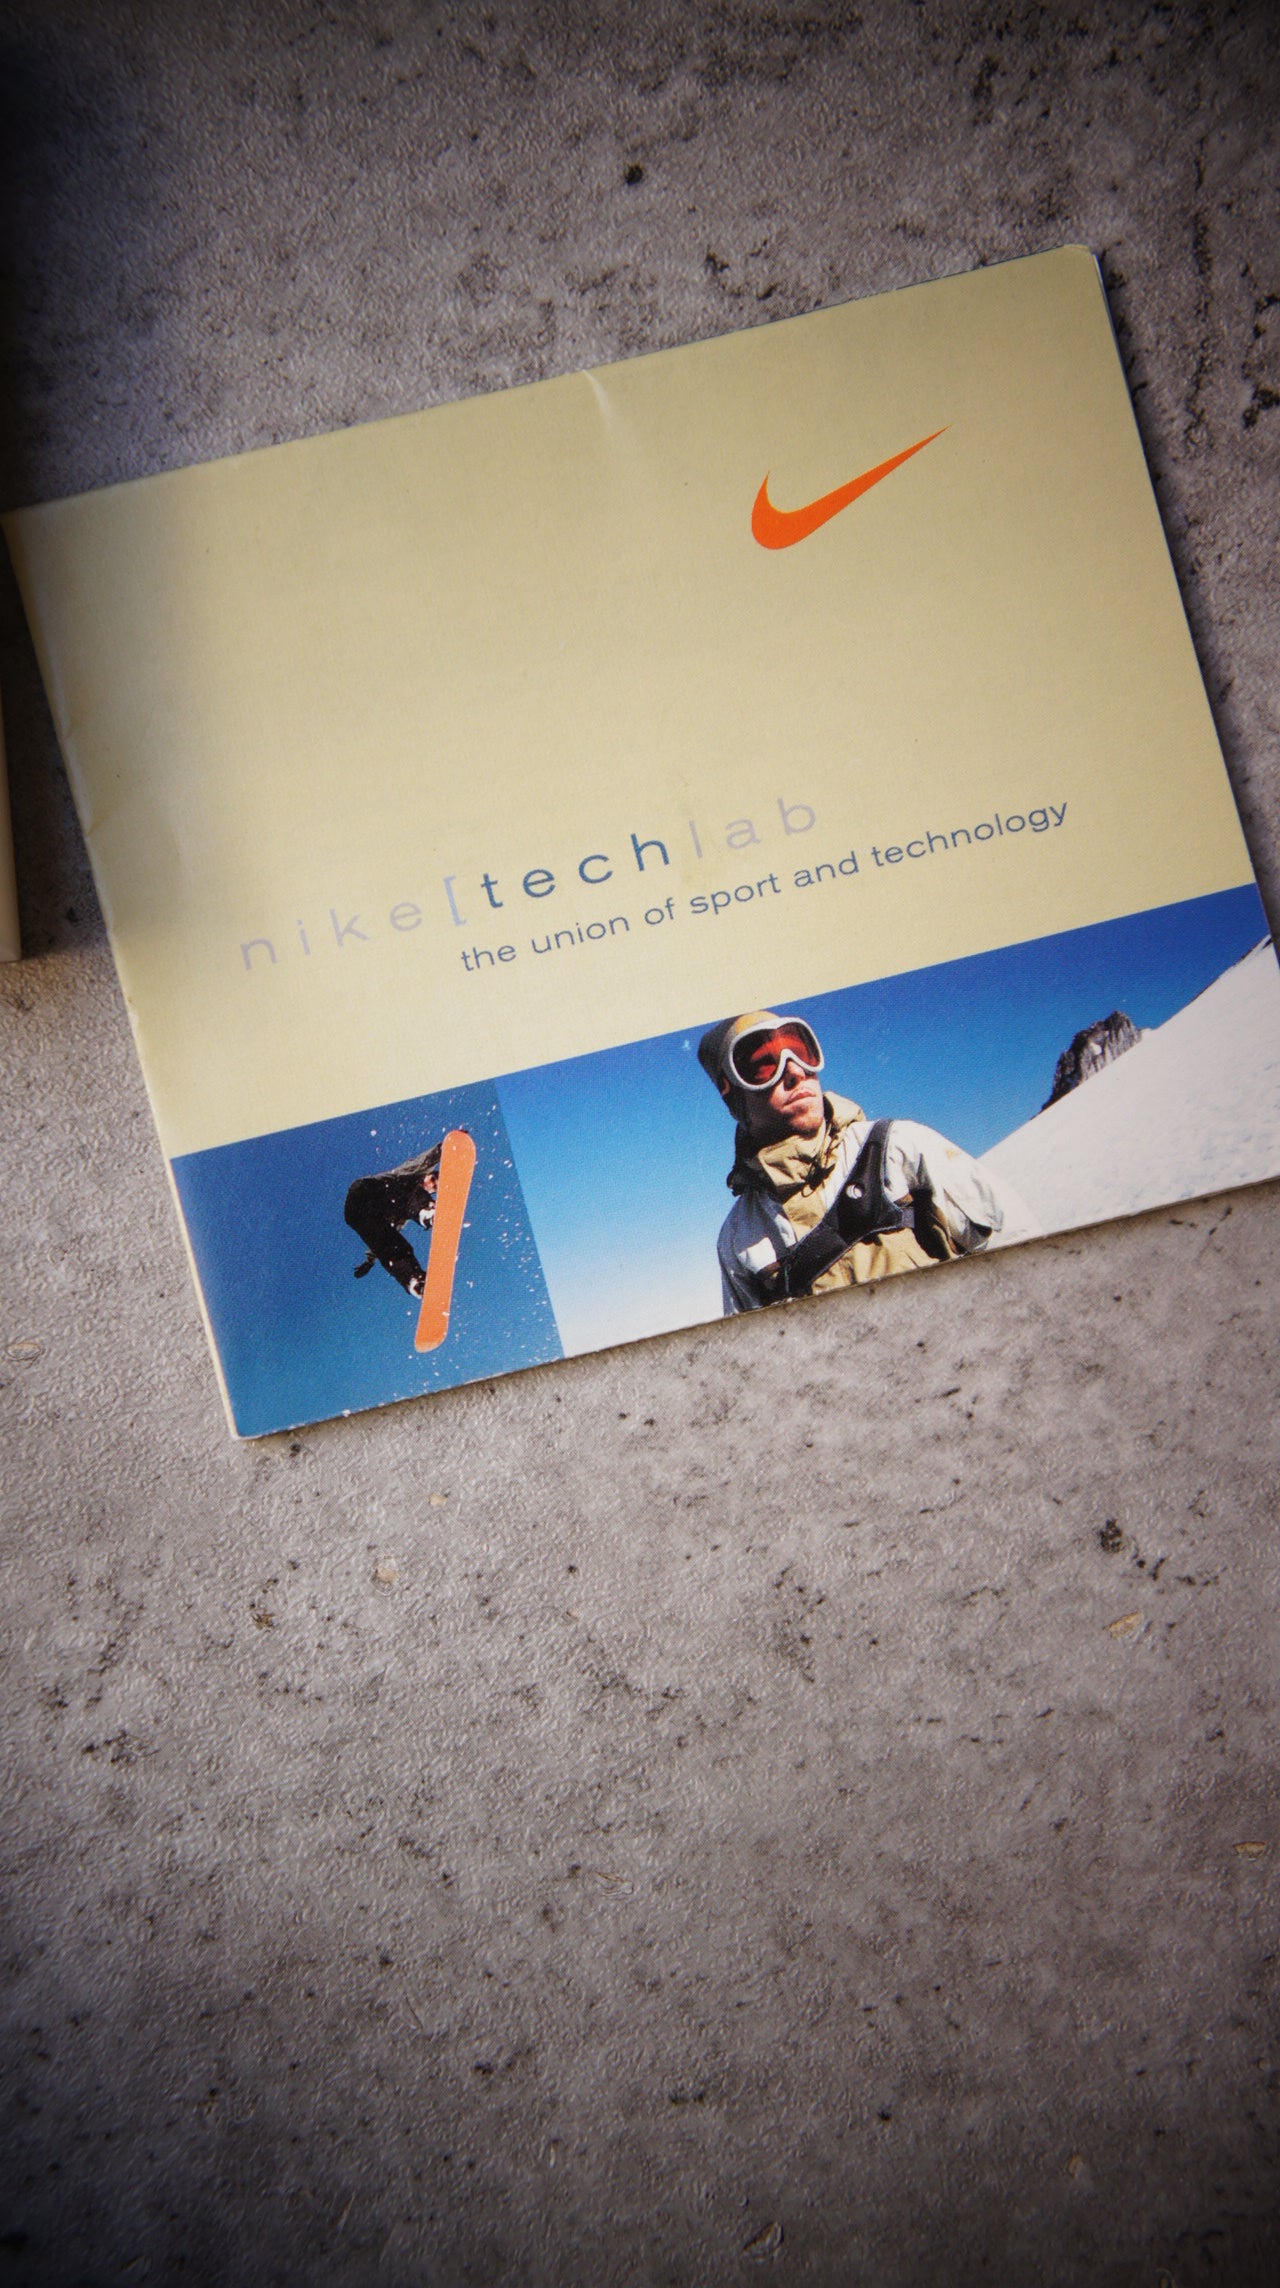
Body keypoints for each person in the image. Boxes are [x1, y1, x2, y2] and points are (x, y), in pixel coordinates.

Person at [697, 1009, 1031, 1313]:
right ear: (733, 1095)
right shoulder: (740, 1237)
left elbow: (1022, 1248)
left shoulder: (896, 1148)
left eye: (801, 1052)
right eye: (764, 1065)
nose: (796, 1071)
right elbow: (756, 1351)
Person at [344, 1141, 443, 1300]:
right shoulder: (411, 1176)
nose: (430, 1186)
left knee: (395, 1246)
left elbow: (380, 1242)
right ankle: (427, 1212)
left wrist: (369, 1262)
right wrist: (442, 1149)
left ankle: (415, 1281)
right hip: (367, 1191)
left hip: (356, 1216)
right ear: (427, 1175)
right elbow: (423, 1161)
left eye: (434, 1188)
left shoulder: (400, 1216)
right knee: (411, 1191)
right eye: (432, 1180)